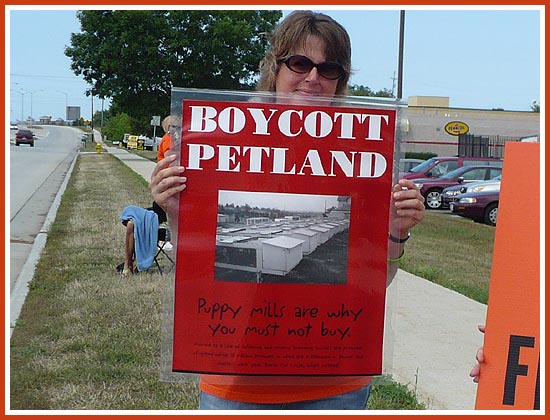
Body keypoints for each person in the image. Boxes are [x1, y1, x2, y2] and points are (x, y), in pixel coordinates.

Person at [150, 10, 425, 409]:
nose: (313, 78)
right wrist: (176, 208)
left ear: (340, 80)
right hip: (236, 374)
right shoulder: (217, 143)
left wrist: (397, 230)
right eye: (300, 63)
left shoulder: (366, 156)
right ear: (274, 68)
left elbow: (374, 283)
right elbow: (197, 264)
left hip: (334, 381)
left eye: (328, 68)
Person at [119, 201, 167, 276]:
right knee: (130, 222)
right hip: (155, 212)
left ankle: (128, 265)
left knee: (132, 224)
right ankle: (128, 263)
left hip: (165, 221)